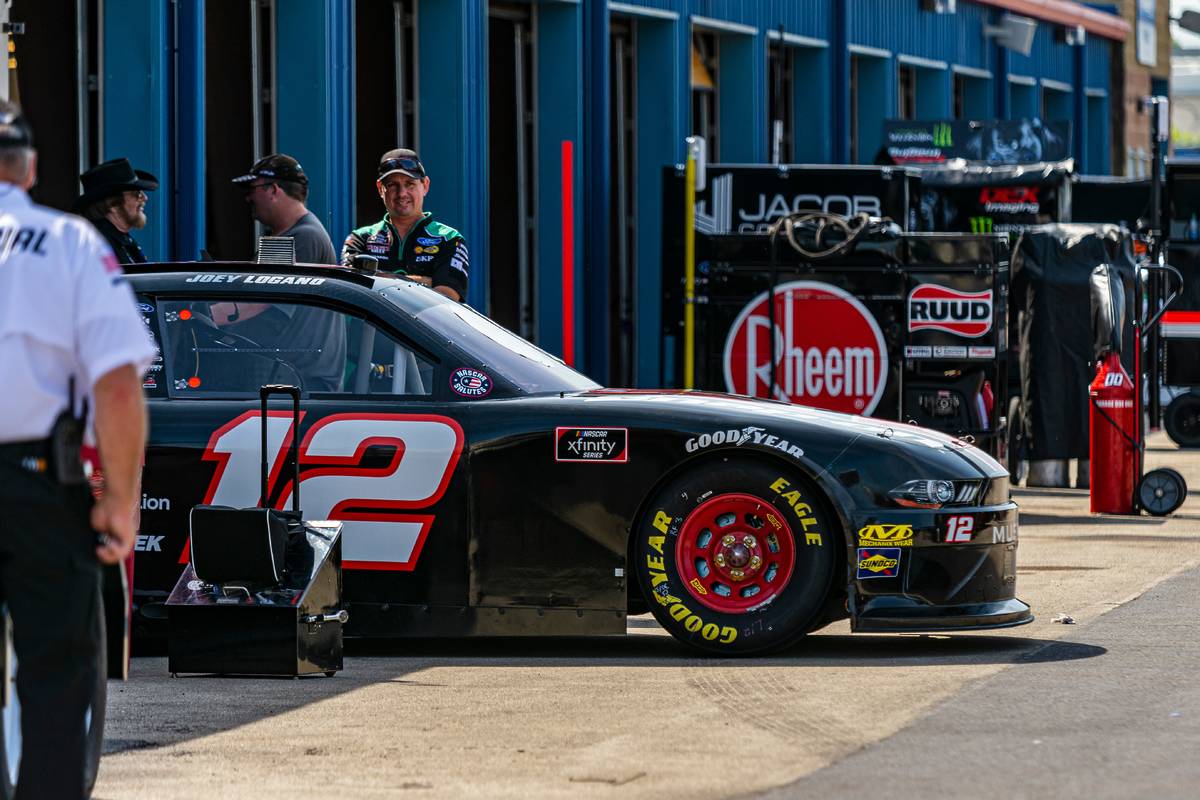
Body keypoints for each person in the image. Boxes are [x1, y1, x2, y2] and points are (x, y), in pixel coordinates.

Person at [0, 101, 154, 798]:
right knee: (58, 672)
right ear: (31, 170)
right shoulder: (69, 244)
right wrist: (120, 503)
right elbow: (118, 386)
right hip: (35, 480)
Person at [342, 148, 468, 301]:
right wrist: (426, 282)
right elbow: (351, 292)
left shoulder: (449, 239)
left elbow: (446, 298)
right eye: (392, 185)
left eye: (410, 184)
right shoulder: (360, 238)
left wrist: (377, 279)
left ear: (425, 185)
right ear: (380, 189)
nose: (402, 193)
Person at [231, 154, 337, 265]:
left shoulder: (304, 238)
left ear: (273, 190)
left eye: (251, 190)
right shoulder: (297, 234)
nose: (248, 198)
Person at [74, 157, 159, 264]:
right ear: (113, 205)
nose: (145, 198)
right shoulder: (98, 244)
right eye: (137, 194)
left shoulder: (123, 239)